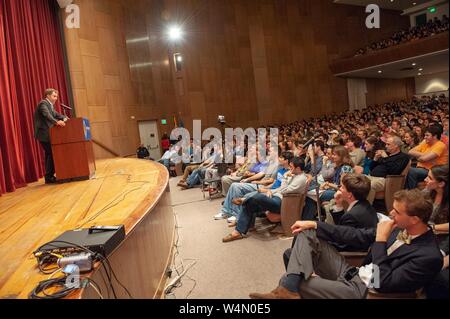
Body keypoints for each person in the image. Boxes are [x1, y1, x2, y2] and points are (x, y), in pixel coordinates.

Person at [249, 189, 443, 299]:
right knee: (307, 233)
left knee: (292, 275)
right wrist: (315, 223)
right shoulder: (400, 228)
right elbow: (353, 234)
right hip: (353, 273)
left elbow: (381, 282)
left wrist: (380, 240)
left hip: (366, 291)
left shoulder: (429, 256)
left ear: (415, 219)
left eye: (397, 212)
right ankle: (287, 291)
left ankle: (286, 289)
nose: (390, 214)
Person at [33, 88, 67, 184]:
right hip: (43, 134)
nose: (56, 98)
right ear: (48, 95)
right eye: (54, 96)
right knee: (52, 153)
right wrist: (57, 122)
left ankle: (49, 177)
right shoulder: (43, 104)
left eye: (56, 96)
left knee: (50, 154)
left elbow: (55, 114)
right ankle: (49, 177)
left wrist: (64, 117)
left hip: (48, 134)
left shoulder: (50, 105)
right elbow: (47, 115)